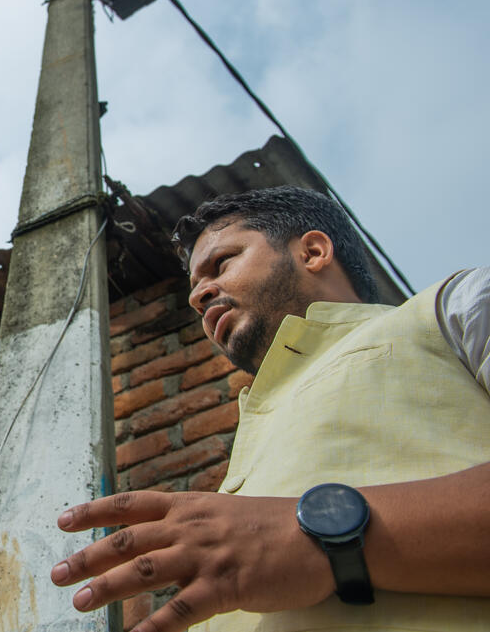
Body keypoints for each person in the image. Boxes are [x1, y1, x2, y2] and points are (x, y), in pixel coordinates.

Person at [49, 185, 490, 631]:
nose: (198, 297)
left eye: (221, 264)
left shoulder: (453, 308)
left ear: (313, 251)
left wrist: (319, 536)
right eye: (193, 288)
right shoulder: (246, 457)